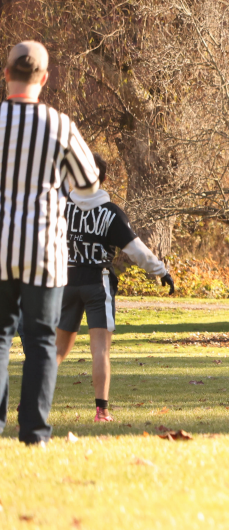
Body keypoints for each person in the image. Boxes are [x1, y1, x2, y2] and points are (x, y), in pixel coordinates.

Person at [0, 41, 102, 445]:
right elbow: (89, 182)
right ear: (44, 78)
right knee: (41, 339)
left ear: (6, 74)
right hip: (44, 249)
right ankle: (35, 433)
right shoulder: (60, 125)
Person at [53, 153, 175, 422]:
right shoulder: (111, 213)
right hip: (98, 283)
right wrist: (162, 271)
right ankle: (101, 411)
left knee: (57, 350)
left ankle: (30, 401)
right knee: (100, 349)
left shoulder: (61, 207)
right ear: (104, 179)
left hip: (67, 281)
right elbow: (137, 251)